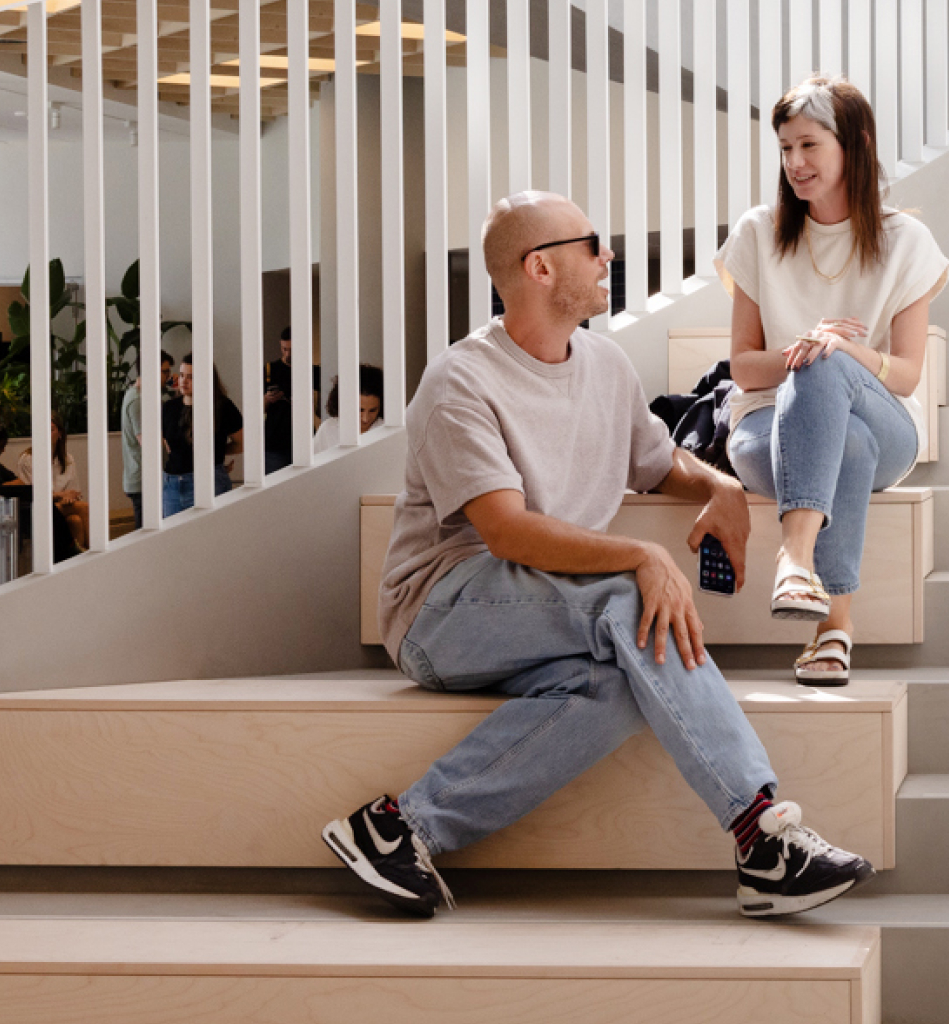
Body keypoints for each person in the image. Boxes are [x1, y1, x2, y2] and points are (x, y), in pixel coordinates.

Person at [321, 190, 874, 920]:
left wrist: (717, 485)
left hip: (546, 608)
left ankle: (400, 826)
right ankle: (760, 835)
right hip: (442, 611)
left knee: (618, 691)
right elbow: (506, 532)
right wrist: (640, 557)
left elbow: (656, 464)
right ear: (540, 268)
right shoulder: (461, 381)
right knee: (631, 599)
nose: (609, 253)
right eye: (592, 243)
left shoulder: (605, 365)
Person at [716, 74, 949, 686]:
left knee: (829, 369)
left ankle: (795, 557)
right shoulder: (758, 232)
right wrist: (801, 350)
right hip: (766, 423)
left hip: (883, 419)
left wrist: (843, 349)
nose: (795, 162)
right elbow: (743, 365)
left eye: (809, 145)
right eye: (785, 148)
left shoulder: (906, 242)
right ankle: (834, 629)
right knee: (844, 441)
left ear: (856, 145)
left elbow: (904, 376)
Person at [161, 356, 244, 516]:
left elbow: (242, 442)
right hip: (172, 485)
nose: (184, 381)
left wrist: (217, 452)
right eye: (182, 375)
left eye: (191, 377)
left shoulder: (222, 406)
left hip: (208, 481)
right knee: (174, 538)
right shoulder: (170, 407)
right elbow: (169, 444)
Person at [17, 412, 88, 550]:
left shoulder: (67, 459)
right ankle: (94, 554)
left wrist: (69, 498)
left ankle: (75, 562)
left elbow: (74, 493)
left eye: (50, 430)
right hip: (36, 509)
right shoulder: (27, 459)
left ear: (60, 433)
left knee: (76, 521)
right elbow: (33, 495)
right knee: (84, 508)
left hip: (60, 508)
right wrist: (61, 496)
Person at [120, 350, 173, 529]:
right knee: (147, 535)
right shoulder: (138, 400)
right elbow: (148, 443)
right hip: (144, 480)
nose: (168, 376)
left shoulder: (143, 396)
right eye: (165, 372)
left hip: (146, 477)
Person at [264, 327, 321, 473]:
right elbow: (256, 409)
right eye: (284, 349)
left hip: (305, 438)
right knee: (273, 488)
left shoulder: (313, 371)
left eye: (292, 349)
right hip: (274, 440)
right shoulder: (270, 370)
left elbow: (323, 409)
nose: (288, 354)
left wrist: (307, 402)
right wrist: (267, 399)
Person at [312, 363, 383, 455]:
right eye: (360, 410)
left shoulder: (385, 429)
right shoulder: (328, 429)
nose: (365, 418)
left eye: (372, 410)